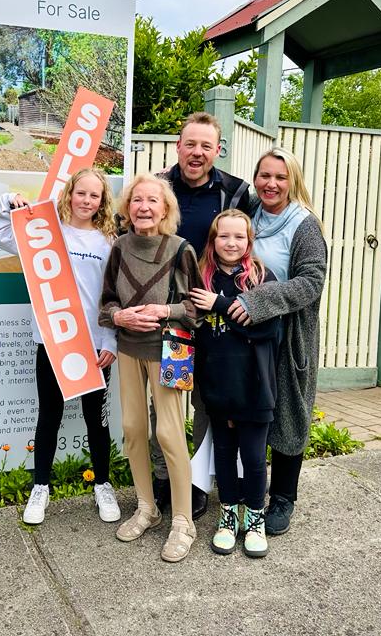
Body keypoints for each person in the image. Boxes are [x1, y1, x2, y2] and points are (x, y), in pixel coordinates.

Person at [0, 168, 121, 526]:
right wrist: (7, 203)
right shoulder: (46, 232)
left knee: (97, 419)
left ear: (102, 202)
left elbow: (113, 297)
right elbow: (0, 234)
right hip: (53, 342)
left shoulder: (108, 241)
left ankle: (103, 484)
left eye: (94, 196)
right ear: (70, 193)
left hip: (94, 346)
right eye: (81, 194)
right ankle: (40, 487)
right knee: (50, 415)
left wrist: (110, 340)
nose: (87, 201)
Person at [152, 111, 254, 520]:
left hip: (214, 320)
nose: (197, 153)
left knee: (208, 405)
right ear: (178, 146)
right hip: (172, 319)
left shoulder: (235, 192)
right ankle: (167, 478)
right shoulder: (157, 186)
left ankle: (197, 480)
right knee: (169, 402)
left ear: (217, 149)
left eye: (206, 146)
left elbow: (248, 245)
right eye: (190, 144)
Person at [99, 174, 202, 562]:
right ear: (127, 208)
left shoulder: (180, 249)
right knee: (133, 429)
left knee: (171, 433)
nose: (144, 207)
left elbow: (195, 309)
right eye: (137, 200)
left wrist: (165, 310)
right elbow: (107, 303)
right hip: (128, 349)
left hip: (169, 351)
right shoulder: (119, 248)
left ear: (165, 209)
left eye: (152, 201)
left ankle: (183, 522)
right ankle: (147, 508)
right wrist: (121, 316)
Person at [228, 147, 327, 537]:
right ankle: (249, 488)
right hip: (245, 336)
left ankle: (284, 498)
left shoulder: (303, 225)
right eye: (264, 175)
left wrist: (258, 301)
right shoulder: (249, 213)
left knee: (288, 414)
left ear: (293, 181)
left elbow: (311, 281)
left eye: (280, 177)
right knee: (247, 415)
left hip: (287, 338)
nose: (271, 184)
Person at [189, 210, 280, 558]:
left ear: (249, 241)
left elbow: (267, 329)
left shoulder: (261, 278)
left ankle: (254, 518)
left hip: (256, 387)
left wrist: (223, 305)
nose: (231, 243)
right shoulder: (203, 281)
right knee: (224, 455)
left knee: (254, 458)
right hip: (217, 385)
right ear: (213, 241)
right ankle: (229, 516)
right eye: (223, 236)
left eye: (238, 237)